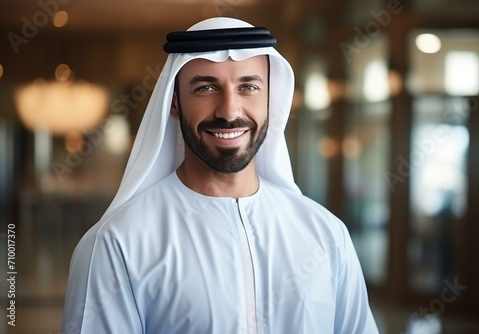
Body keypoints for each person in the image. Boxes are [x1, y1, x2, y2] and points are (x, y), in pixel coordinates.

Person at [61, 17, 379, 334]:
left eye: (248, 87)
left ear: (272, 99)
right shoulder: (117, 243)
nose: (229, 111)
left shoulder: (327, 235)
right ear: (174, 102)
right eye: (206, 87)